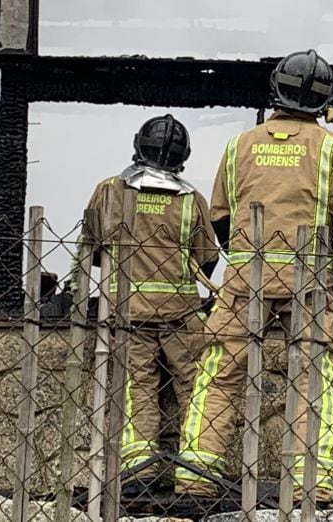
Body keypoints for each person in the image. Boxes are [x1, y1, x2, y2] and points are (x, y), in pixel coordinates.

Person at [175, 50, 333, 501]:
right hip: (310, 282)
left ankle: (196, 475)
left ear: (274, 91)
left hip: (246, 278)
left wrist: (245, 260)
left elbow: (220, 219)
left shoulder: (239, 146)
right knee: (312, 377)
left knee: (220, 373)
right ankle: (312, 482)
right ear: (326, 101)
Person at [82, 114, 219, 486]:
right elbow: (207, 258)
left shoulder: (109, 191)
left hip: (126, 312)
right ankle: (198, 472)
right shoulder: (191, 199)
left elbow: (91, 250)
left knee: (135, 388)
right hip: (182, 316)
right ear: (182, 157)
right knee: (196, 388)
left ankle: (136, 470)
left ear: (137, 145)